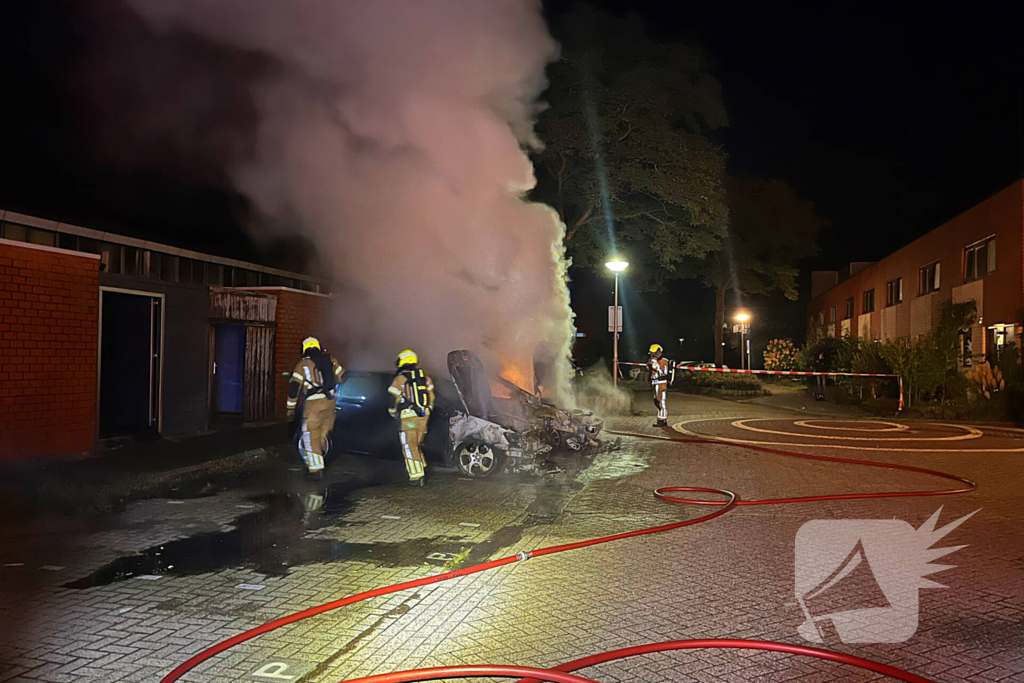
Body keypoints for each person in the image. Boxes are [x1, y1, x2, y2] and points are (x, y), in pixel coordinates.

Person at [286, 336, 344, 478]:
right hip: (330, 402)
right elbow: (341, 376)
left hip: (314, 403)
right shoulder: (330, 360)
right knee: (323, 433)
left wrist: (290, 409)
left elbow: (294, 388)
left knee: (310, 434)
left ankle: (316, 469)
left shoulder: (302, 365)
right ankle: (320, 460)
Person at [388, 349, 435, 486]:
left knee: (409, 446)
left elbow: (392, 398)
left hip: (408, 418)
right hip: (423, 416)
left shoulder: (400, 378)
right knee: (417, 444)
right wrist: (428, 410)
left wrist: (392, 411)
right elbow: (431, 396)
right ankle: (422, 466)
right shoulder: (425, 377)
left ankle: (416, 476)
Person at [648, 343, 670, 427]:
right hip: (656, 382)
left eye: (654, 353)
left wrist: (653, 362)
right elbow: (650, 367)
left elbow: (658, 369)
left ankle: (662, 419)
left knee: (661, 401)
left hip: (661, 382)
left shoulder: (664, 361)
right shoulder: (655, 360)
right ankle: (660, 417)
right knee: (657, 401)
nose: (653, 355)